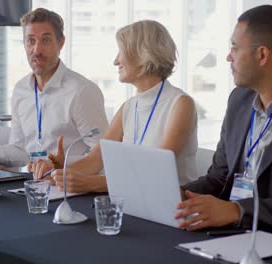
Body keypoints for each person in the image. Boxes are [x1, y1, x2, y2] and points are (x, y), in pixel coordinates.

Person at [175, 5, 272, 234]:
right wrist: (178, 194)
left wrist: (236, 211)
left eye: (235, 48)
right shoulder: (239, 100)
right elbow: (219, 177)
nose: (228, 57)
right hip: (235, 233)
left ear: (262, 55)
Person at [33, 20, 198, 193]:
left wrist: (92, 183)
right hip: (134, 202)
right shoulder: (128, 107)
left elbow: (156, 172)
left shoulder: (180, 104)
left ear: (144, 53)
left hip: (171, 208)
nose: (115, 60)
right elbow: (95, 159)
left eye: (121, 51)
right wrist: (54, 173)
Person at [0, 8, 108, 167]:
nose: (37, 50)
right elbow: (20, 151)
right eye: (31, 40)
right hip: (31, 185)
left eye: (45, 40)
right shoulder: (21, 89)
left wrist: (62, 164)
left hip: (70, 187)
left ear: (61, 42)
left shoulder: (81, 91)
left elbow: (103, 153)